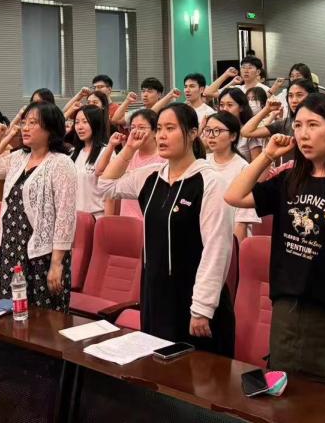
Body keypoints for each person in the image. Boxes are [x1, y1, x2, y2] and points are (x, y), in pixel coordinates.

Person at [224, 94, 325, 395]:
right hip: (286, 317)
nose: (303, 134)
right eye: (298, 125)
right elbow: (234, 195)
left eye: (313, 125)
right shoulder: (290, 180)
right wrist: (267, 155)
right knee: (285, 401)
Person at [98, 104, 235, 356]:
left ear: (192, 133)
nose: (161, 135)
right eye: (159, 129)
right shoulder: (150, 177)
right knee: (157, 368)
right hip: (155, 294)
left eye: (170, 128)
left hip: (194, 300)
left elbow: (217, 249)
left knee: (197, 373)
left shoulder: (210, 182)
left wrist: (202, 308)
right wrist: (129, 149)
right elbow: (105, 186)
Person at [0, 102, 76, 311]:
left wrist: (57, 263)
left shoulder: (61, 163)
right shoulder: (18, 157)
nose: (25, 128)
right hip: (11, 247)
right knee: (8, 310)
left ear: (50, 129)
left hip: (41, 253)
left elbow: (65, 217)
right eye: (24, 122)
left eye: (33, 123)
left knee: (42, 317)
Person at [201, 112, 261, 241]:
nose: (211, 135)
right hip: (204, 234)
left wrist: (236, 251)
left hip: (229, 237)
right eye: (208, 130)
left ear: (233, 136)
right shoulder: (202, 163)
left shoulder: (244, 169)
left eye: (217, 131)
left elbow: (242, 221)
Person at [95, 108, 164, 218]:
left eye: (141, 127)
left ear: (155, 132)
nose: (136, 132)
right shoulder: (128, 154)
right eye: (132, 128)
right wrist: (111, 145)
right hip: (127, 220)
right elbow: (101, 173)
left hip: (149, 221)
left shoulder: (164, 159)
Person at [242, 79, 318, 140]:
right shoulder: (284, 124)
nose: (294, 100)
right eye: (290, 96)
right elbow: (246, 132)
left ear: (311, 96)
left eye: (299, 95)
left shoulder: (320, 122)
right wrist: (266, 109)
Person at [69, 105, 110, 216]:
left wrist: (107, 222)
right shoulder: (73, 153)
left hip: (97, 216)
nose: (80, 127)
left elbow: (110, 194)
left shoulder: (106, 152)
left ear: (96, 124)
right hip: (75, 217)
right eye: (77, 122)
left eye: (85, 122)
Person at [218, 87, 262, 160]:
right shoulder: (215, 131)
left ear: (241, 107)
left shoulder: (250, 134)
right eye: (222, 105)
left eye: (230, 105)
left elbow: (258, 164)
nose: (225, 109)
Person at [204, 55, 270, 98]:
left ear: (258, 72)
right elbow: (208, 92)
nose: (246, 71)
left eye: (250, 68)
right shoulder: (237, 89)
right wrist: (226, 75)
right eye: (243, 67)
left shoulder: (265, 90)